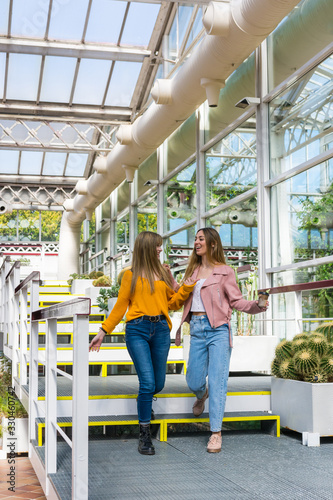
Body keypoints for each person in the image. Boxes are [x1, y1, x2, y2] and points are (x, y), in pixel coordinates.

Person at [89, 231, 195, 456]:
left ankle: (146, 407)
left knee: (158, 384)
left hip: (160, 331)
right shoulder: (130, 275)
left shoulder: (163, 273)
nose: (160, 249)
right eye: (157, 246)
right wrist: (103, 331)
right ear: (147, 247)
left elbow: (173, 304)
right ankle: (144, 434)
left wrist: (185, 288)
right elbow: (120, 306)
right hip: (137, 330)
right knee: (147, 383)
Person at [176, 227, 268, 453]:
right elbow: (179, 298)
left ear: (212, 244)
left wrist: (257, 305)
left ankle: (215, 433)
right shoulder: (193, 271)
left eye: (200, 239)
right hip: (196, 329)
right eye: (195, 239)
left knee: (218, 382)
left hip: (218, 330)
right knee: (193, 379)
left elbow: (236, 301)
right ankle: (201, 394)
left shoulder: (225, 272)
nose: (196, 242)